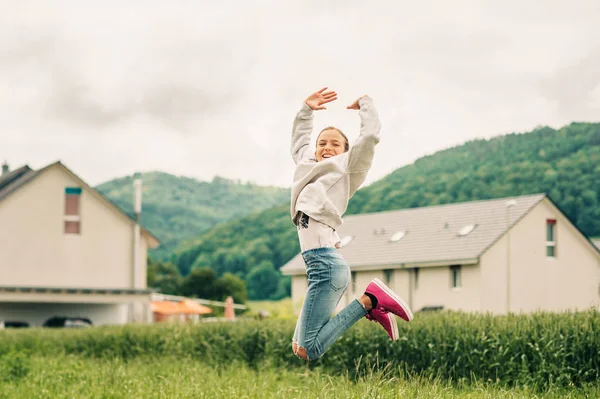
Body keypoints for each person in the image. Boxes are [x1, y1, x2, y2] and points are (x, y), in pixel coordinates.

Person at [290, 87, 413, 361]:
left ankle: (370, 300)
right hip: (317, 264)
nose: (326, 147)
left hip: (325, 265)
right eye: (322, 143)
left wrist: (366, 104)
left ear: (346, 151)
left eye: (335, 143)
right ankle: (371, 305)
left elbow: (369, 137)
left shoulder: (346, 167)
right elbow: (299, 143)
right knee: (298, 348)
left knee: (310, 350)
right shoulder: (307, 166)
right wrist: (306, 110)